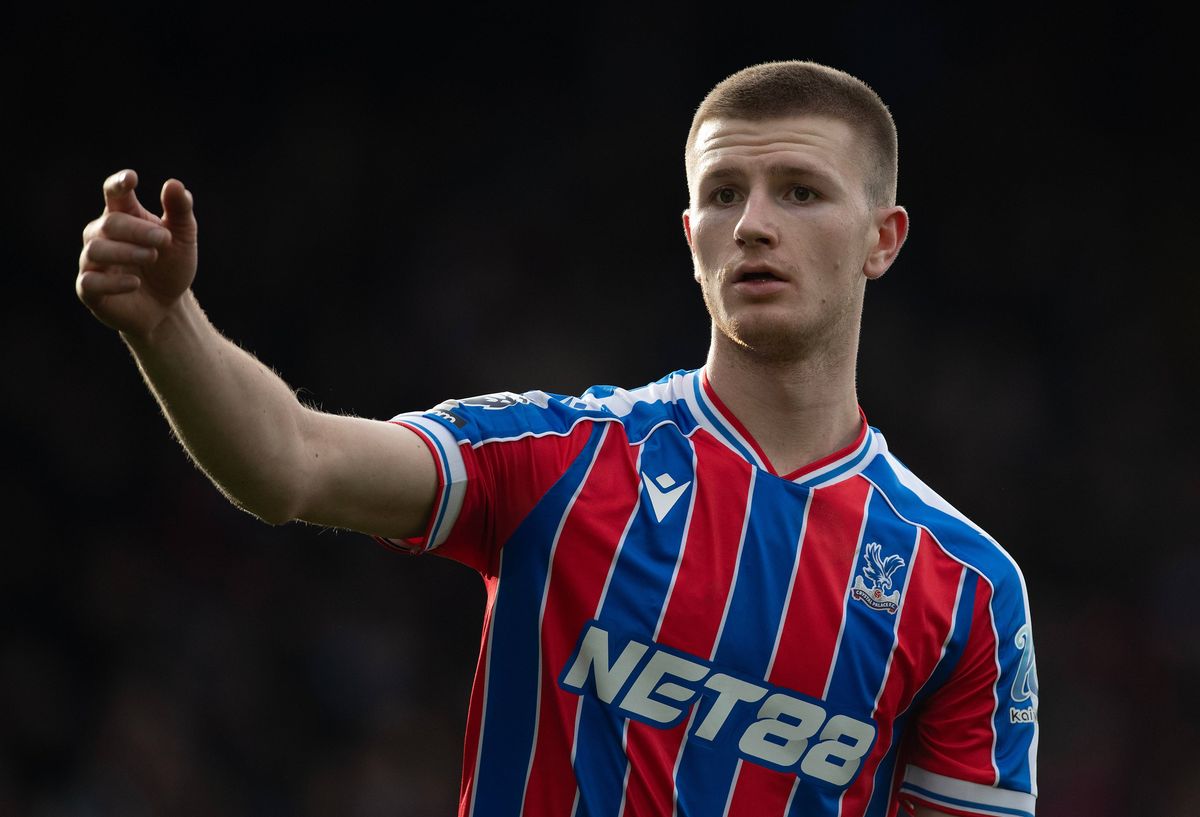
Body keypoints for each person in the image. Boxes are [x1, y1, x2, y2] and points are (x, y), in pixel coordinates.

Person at [76, 61, 1038, 817]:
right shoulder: (561, 457)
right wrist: (167, 326)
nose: (751, 224)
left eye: (799, 192)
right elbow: (289, 461)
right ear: (691, 235)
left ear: (882, 238)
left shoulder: (965, 588)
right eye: (722, 193)